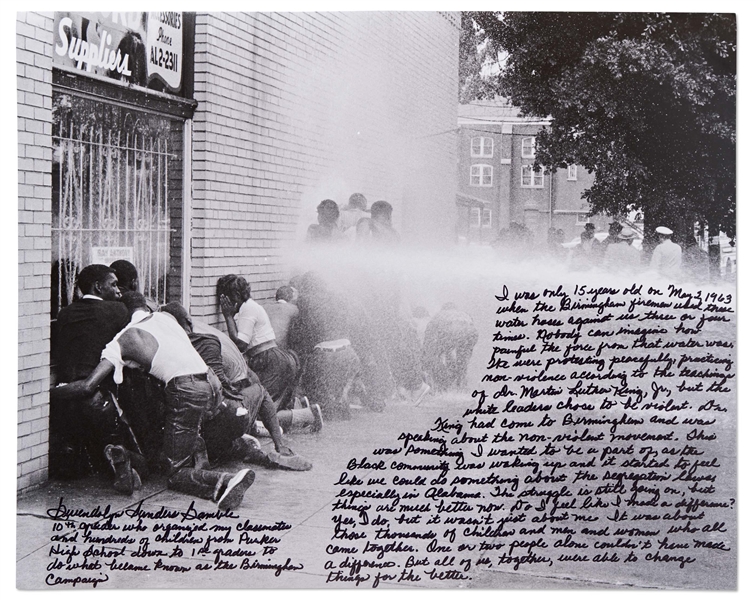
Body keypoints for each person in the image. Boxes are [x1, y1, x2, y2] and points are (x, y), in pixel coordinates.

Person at [51, 293, 255, 509]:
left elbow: (88, 385)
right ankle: (195, 454)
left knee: (175, 473)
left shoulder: (122, 340)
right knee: (181, 435)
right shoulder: (166, 319)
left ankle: (226, 480)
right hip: (211, 384)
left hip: (184, 389)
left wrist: (46, 396)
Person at [160, 302, 313, 471]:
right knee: (259, 393)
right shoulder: (205, 341)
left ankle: (239, 449)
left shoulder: (160, 349)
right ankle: (281, 448)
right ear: (188, 322)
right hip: (216, 418)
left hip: (182, 430)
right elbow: (219, 384)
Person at [51, 264, 147, 491]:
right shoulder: (117, 311)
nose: (118, 291)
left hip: (65, 397)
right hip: (98, 397)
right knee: (140, 463)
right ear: (98, 286)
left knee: (82, 457)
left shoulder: (64, 313)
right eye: (113, 284)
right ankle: (123, 460)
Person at [218, 275, 299, 413]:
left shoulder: (248, 308)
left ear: (237, 295)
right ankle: (301, 409)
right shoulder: (248, 307)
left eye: (226, 299)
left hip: (269, 360)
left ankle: (305, 415)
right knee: (265, 407)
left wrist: (228, 317)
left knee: (260, 409)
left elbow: (241, 344)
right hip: (271, 358)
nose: (225, 304)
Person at [288, 272, 362, 420]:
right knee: (337, 386)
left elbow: (299, 335)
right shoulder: (337, 298)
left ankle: (324, 409)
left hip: (325, 354)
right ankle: (341, 398)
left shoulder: (305, 300)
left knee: (317, 394)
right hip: (349, 352)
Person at [423, 303, 479, 394]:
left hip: (451, 330)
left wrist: (426, 357)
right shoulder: (463, 314)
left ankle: (444, 383)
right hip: (471, 332)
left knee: (436, 356)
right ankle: (460, 385)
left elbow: (428, 341)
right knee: (462, 361)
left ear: (443, 309)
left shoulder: (438, 316)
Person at [263, 286, 299, 351]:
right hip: (281, 349)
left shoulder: (265, 307)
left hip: (264, 346)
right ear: (290, 298)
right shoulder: (293, 309)